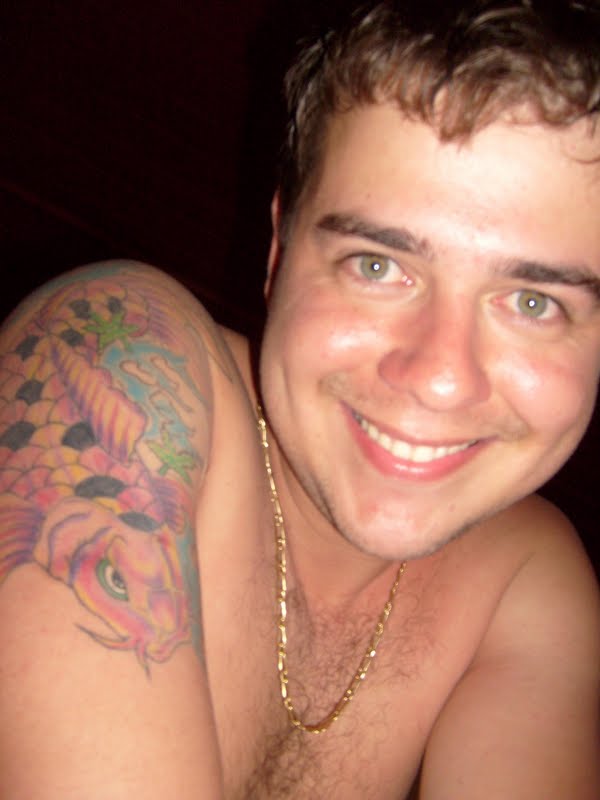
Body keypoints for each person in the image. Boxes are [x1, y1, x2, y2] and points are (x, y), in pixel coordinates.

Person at [0, 0, 599, 797]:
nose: (441, 376)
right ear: (279, 249)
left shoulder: (527, 581)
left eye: (533, 302)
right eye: (377, 266)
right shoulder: (110, 364)